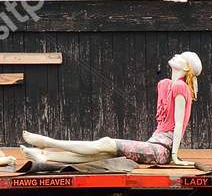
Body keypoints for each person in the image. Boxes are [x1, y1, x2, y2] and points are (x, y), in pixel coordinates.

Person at [22, 50, 201, 166]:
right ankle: (45, 156)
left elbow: (178, 125)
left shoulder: (180, 87)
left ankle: (47, 142)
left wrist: (175, 157)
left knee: (105, 143)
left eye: (181, 56)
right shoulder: (165, 84)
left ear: (186, 66)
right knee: (97, 156)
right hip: (153, 144)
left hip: (162, 150)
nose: (176, 55)